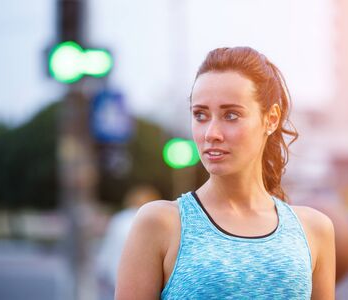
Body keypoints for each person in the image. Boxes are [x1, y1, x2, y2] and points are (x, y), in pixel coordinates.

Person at [116, 47, 335, 299]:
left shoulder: (315, 230)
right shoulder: (159, 223)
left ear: (271, 118)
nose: (211, 133)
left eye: (231, 115)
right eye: (200, 115)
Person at [96, 185, 161, 299]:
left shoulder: (119, 219)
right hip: (141, 279)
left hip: (113, 275)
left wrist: (102, 269)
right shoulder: (154, 220)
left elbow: (108, 247)